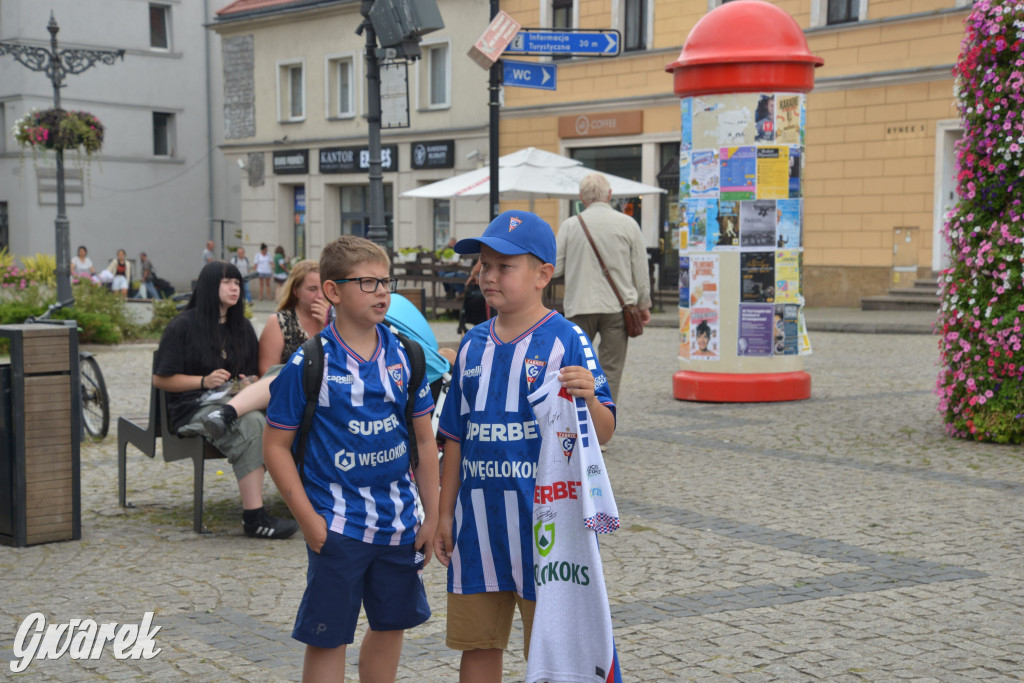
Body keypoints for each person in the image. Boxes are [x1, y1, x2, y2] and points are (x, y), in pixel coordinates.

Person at [433, 210, 616, 681]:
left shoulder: (567, 339)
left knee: (551, 646)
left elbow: (606, 429)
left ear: (542, 275)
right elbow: (454, 436)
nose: (489, 276)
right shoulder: (472, 344)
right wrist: (444, 512)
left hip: (547, 528)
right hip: (478, 529)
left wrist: (589, 398)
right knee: (477, 646)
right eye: (485, 265)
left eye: (504, 266)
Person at [263, 235, 439, 682]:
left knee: (391, 623)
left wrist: (432, 514)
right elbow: (275, 447)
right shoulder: (309, 363)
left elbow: (423, 442)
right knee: (328, 636)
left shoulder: (407, 355)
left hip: (398, 524)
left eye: (386, 281)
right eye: (368, 282)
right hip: (336, 527)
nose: (383, 292)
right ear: (333, 291)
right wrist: (307, 519)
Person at [152, 260, 299, 540]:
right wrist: (202, 381)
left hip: (233, 399)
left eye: (237, 283)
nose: (235, 288)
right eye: (227, 282)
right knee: (254, 422)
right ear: (209, 286)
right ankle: (253, 517)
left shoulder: (241, 327)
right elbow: (161, 379)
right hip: (195, 408)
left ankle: (229, 412)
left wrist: (248, 382)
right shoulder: (182, 326)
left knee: (285, 373)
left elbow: (254, 373)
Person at [200, 260, 330, 438]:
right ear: (296, 291)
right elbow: (268, 373)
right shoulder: (280, 322)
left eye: (323, 289)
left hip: (328, 395)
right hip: (290, 398)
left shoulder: (335, 323)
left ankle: (227, 412)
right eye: (312, 289)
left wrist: (328, 325)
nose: (320, 296)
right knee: (281, 372)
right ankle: (227, 413)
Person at [554, 172, 652, 404]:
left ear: (582, 198)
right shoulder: (628, 224)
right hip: (618, 309)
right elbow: (640, 270)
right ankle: (603, 425)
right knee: (610, 370)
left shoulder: (569, 226)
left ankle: (576, 422)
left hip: (579, 306)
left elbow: (555, 269)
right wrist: (644, 304)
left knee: (576, 368)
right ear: (609, 195)